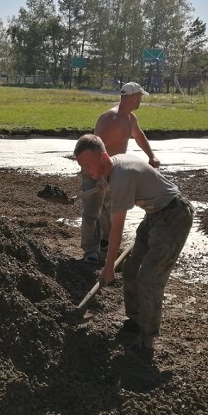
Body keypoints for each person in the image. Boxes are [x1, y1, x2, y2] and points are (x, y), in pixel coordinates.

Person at [74, 133, 194, 359]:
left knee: (148, 277)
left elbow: (116, 231)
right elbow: (111, 175)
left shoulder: (122, 177)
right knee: (130, 271)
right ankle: (136, 320)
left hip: (174, 216)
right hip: (154, 215)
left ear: (102, 156)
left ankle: (147, 343)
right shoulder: (113, 164)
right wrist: (102, 180)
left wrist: (108, 267)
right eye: (82, 166)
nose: (86, 170)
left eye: (88, 164)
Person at [80, 81, 160, 264]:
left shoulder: (130, 119)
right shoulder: (110, 120)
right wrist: (99, 176)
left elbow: (139, 136)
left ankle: (104, 243)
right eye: (139, 96)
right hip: (94, 170)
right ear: (132, 97)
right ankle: (90, 250)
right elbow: (97, 151)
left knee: (110, 208)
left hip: (112, 171)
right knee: (92, 210)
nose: (140, 100)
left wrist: (151, 156)